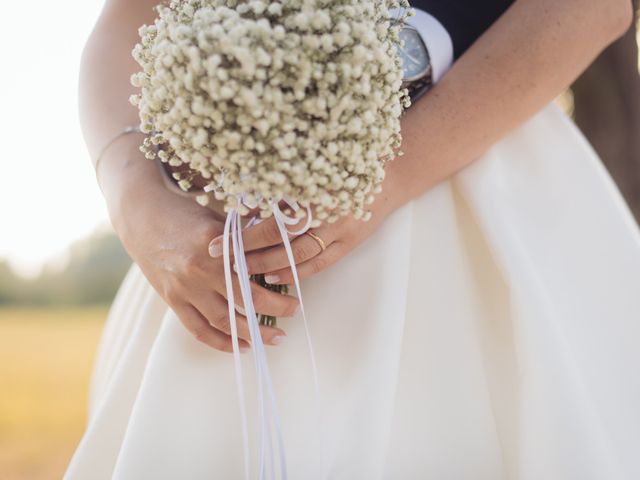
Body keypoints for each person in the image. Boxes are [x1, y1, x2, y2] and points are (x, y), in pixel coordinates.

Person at [66, 0, 640, 478]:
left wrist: (382, 178)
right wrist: (138, 205)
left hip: (478, 166)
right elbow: (125, 22)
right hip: (219, 238)